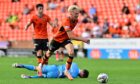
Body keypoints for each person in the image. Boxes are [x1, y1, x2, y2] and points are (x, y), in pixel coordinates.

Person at [37, 5, 90, 80]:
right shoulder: (66, 21)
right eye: (76, 14)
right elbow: (71, 36)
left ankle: (66, 71)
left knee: (71, 52)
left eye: (78, 13)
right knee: (48, 54)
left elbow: (69, 35)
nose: (77, 15)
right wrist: (83, 39)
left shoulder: (76, 20)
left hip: (65, 39)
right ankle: (40, 65)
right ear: (71, 13)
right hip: (57, 39)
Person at [12, 62, 89, 79]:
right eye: (82, 77)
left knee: (36, 68)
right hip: (56, 74)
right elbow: (65, 75)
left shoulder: (75, 64)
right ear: (82, 74)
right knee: (43, 76)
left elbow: (67, 62)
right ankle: (30, 77)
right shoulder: (75, 76)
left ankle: (22, 65)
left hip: (55, 67)